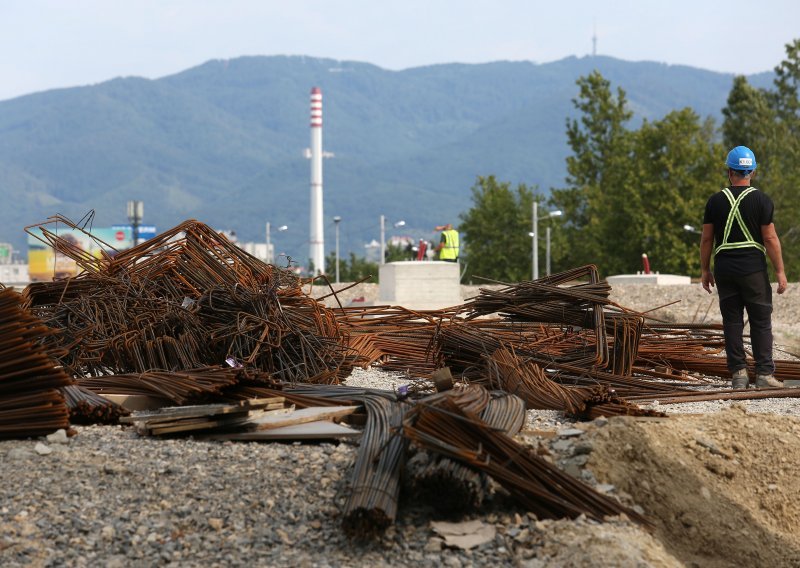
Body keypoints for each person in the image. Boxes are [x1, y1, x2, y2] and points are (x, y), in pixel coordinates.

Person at [700, 146, 788, 389]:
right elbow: (770, 239)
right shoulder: (762, 200)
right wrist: (780, 271)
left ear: (730, 172)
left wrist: (705, 270)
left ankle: (738, 375)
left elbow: (707, 239)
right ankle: (763, 375)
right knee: (760, 321)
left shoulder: (715, 201)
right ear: (753, 172)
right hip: (753, 271)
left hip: (725, 269)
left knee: (732, 321)